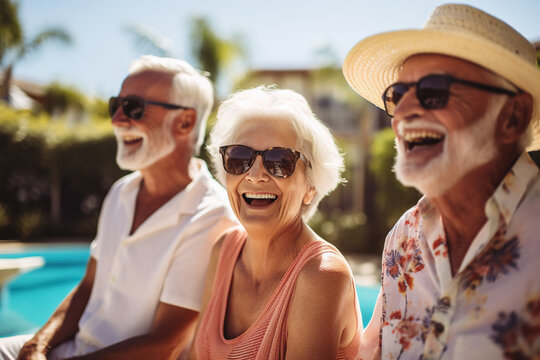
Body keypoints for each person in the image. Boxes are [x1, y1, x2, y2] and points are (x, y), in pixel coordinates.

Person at [0, 55, 237, 360]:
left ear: (185, 122)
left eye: (133, 108)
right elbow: (88, 286)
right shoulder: (121, 192)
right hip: (74, 351)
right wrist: (37, 345)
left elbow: (165, 345)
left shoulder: (211, 217)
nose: (117, 120)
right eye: (116, 106)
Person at [342, 3, 540, 359]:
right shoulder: (404, 238)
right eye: (398, 95)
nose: (402, 113)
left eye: (434, 90)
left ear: (513, 116)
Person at [187, 86, 362, 359]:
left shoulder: (321, 275)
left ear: (311, 188)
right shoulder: (223, 250)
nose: (255, 175)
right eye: (239, 158)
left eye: (279, 161)